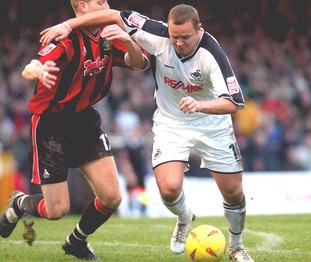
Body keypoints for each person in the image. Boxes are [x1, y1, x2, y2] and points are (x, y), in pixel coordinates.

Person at [40, 4, 254, 261]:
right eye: (174, 37)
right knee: (169, 188)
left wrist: (201, 105)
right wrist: (69, 25)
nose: (179, 43)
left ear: (199, 29)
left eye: (185, 37)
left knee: (233, 191)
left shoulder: (212, 53)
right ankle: (185, 218)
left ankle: (236, 246)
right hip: (171, 123)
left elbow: (234, 102)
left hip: (212, 123)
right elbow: (113, 15)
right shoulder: (154, 32)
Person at [0, 0, 148, 260]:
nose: (107, 4)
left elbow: (139, 63)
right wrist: (38, 71)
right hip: (51, 124)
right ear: (82, 6)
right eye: (100, 1)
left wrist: (128, 39)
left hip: (85, 121)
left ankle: (76, 241)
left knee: (112, 197)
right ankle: (19, 202)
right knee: (56, 210)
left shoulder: (110, 33)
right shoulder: (66, 39)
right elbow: (30, 67)